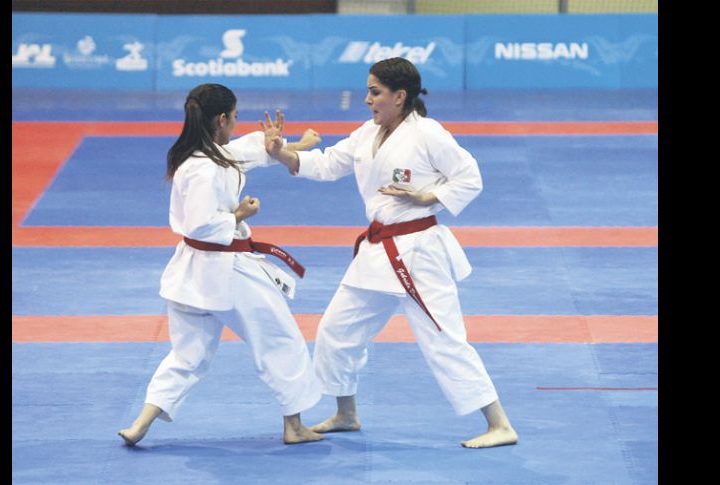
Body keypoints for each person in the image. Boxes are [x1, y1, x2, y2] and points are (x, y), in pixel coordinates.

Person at [263, 57, 518, 448]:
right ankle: (346, 413)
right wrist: (281, 153)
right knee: (336, 330)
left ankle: (500, 424)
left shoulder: (428, 134)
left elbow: (470, 177)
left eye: (374, 91)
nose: (367, 99)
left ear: (400, 97)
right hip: (377, 251)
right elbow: (328, 163)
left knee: (443, 338)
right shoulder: (367, 134)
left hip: (419, 252)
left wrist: (427, 195)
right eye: (368, 90)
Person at [118, 83, 324, 446]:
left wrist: (294, 145)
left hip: (190, 274)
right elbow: (201, 224)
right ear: (221, 118)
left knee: (187, 354)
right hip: (226, 271)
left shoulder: (205, 154)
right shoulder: (204, 169)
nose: (237, 124)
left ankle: (140, 425)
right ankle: (294, 426)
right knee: (280, 339)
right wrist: (238, 214)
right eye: (236, 117)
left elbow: (247, 151)